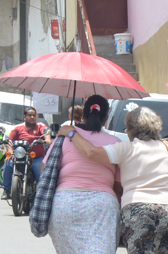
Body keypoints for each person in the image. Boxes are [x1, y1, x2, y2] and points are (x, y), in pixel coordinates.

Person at [64, 105, 168, 254]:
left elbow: (91, 152)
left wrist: (72, 133)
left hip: (139, 211)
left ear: (132, 130)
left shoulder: (126, 149)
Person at [47, 95, 120, 254]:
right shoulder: (115, 142)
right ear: (106, 119)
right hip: (102, 206)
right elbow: (119, 184)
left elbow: (45, 170)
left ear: (84, 115)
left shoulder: (65, 137)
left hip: (64, 204)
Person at [1, 107, 51, 200]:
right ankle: (6, 190)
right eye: (29, 115)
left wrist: (47, 139)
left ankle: (41, 194)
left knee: (40, 172)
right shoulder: (18, 128)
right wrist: (11, 152)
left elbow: (45, 131)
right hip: (20, 156)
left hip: (36, 157)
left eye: (34, 115)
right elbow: (9, 141)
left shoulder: (40, 125)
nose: (32, 117)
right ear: (24, 116)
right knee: (7, 163)